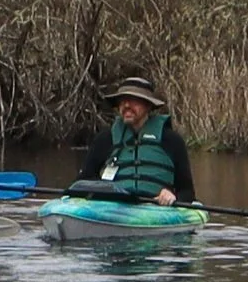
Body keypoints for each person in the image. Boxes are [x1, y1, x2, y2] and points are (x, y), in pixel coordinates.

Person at [78, 75, 195, 206]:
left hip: (156, 210)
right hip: (113, 209)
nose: (126, 105)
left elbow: (187, 192)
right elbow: (83, 182)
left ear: (148, 106)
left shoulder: (172, 141)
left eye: (134, 101)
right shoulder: (105, 139)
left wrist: (172, 196)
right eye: (122, 101)